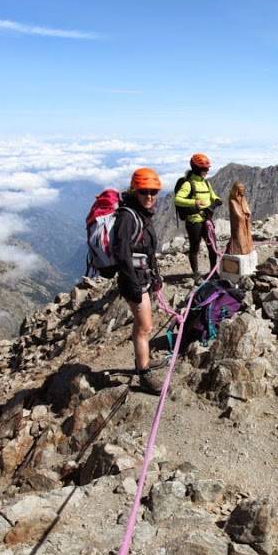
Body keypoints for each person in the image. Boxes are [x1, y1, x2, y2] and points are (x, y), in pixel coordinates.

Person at [112, 168, 164, 393]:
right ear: (135, 190)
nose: (150, 196)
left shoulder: (142, 213)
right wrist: (133, 284)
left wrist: (156, 274)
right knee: (146, 326)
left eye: (153, 192)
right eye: (144, 191)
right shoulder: (127, 216)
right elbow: (122, 253)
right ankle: (143, 374)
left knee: (143, 324)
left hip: (142, 276)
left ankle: (142, 360)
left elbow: (148, 250)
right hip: (132, 279)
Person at [174, 152, 220, 278]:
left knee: (213, 247)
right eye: (204, 169)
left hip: (206, 220)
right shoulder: (189, 184)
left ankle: (213, 272)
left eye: (207, 169)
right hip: (194, 221)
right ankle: (195, 274)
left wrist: (216, 201)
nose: (206, 171)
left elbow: (213, 195)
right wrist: (194, 202)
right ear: (197, 169)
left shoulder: (206, 183)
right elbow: (177, 199)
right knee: (194, 248)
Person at [227, 182, 253, 255]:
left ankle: (247, 247)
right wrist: (242, 217)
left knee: (246, 234)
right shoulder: (232, 200)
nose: (243, 189)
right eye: (241, 188)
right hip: (238, 222)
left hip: (244, 219)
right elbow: (236, 212)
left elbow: (246, 207)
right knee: (239, 235)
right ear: (237, 190)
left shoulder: (242, 198)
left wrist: (247, 214)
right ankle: (239, 249)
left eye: (243, 188)